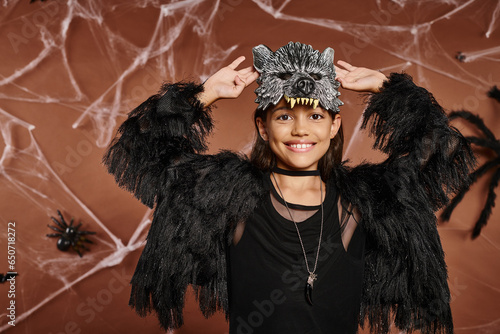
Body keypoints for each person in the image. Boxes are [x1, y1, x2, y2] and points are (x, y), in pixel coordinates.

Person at [103, 42, 473, 334]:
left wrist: (387, 88)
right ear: (263, 128)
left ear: (333, 126)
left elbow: (440, 146)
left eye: (315, 116)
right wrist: (203, 95)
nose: (300, 130)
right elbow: (144, 151)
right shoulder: (229, 193)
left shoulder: (366, 199)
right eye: (284, 116)